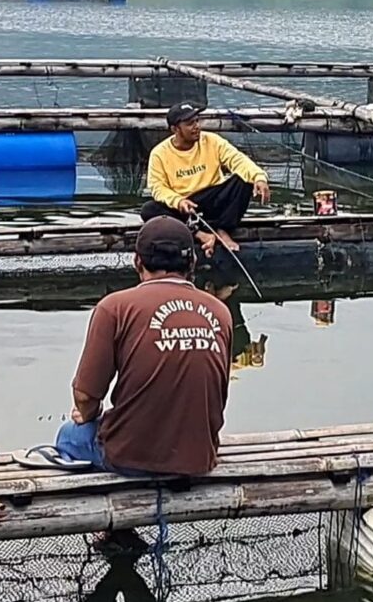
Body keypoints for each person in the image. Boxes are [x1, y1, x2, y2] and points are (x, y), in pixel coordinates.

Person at [54, 217, 234, 475]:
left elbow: (85, 396)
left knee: (70, 435)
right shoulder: (221, 312)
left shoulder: (114, 308)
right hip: (198, 459)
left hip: (130, 458)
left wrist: (88, 413)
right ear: (192, 262)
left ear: (137, 261)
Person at [140, 103, 269, 255]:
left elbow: (237, 160)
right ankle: (200, 234)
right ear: (175, 129)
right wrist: (178, 201)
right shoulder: (159, 153)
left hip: (213, 198)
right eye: (189, 124)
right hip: (186, 205)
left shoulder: (212, 141)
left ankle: (223, 229)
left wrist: (259, 178)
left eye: (197, 121)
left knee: (245, 179)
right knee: (149, 209)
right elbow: (157, 187)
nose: (196, 127)